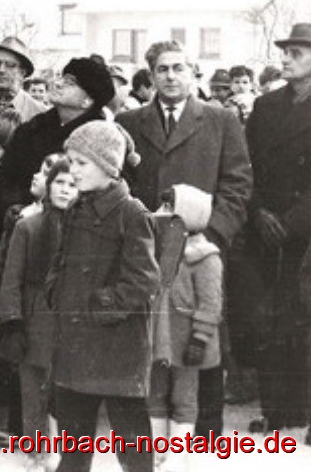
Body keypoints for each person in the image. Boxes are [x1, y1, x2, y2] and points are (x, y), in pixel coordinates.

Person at [116, 40, 251, 438]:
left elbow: (237, 185)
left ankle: (204, 436)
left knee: (201, 339)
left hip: (200, 250)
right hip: (146, 250)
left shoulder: (220, 120)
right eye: (162, 69)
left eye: (179, 68)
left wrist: (211, 236)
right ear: (151, 75)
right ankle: (151, 436)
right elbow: (120, 184)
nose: (171, 76)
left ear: (193, 72)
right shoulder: (129, 122)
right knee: (151, 340)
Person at [47, 120, 160, 472]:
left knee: (133, 446)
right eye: (71, 161)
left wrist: (99, 305)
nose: (73, 170)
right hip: (76, 344)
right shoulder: (76, 209)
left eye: (82, 163)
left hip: (117, 347)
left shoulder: (131, 213)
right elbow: (61, 261)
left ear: (108, 166)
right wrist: (56, 291)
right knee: (73, 446)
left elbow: (143, 280)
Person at [242, 24, 311, 437]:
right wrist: (258, 212)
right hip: (264, 228)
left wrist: (293, 220)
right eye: (285, 51)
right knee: (265, 317)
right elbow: (243, 164)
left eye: (297, 53)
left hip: (304, 232)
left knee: (304, 319)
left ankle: (305, 412)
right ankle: (274, 411)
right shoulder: (265, 106)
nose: (285, 58)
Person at [0, 157, 77, 472]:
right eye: (59, 182)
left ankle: (64, 451)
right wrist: (13, 323)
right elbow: (11, 280)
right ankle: (34, 452)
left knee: (66, 390)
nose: (65, 190)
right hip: (34, 318)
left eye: (72, 184)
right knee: (33, 389)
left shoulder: (85, 229)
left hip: (70, 319)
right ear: (48, 185)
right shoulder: (27, 226)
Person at [0, 56, 113, 239]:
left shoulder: (102, 140)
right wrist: (17, 210)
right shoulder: (31, 129)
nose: (57, 84)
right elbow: (3, 180)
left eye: (70, 83)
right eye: (61, 77)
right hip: (19, 229)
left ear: (87, 101)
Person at [148, 185, 222, 472]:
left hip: (187, 340)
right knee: (155, 392)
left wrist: (200, 338)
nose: (161, 212)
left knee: (184, 397)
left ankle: (178, 454)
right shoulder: (159, 252)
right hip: (159, 337)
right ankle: (157, 451)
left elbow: (210, 303)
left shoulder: (205, 257)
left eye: (169, 208)